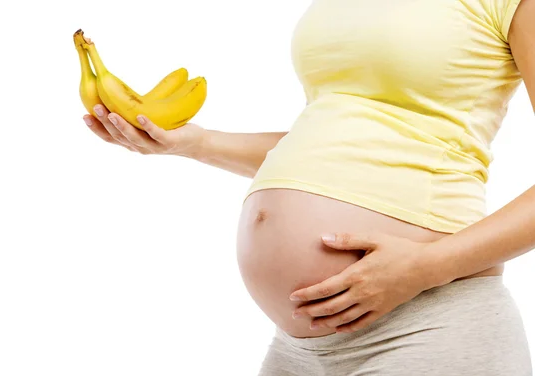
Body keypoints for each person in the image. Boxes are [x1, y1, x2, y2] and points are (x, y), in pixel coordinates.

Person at [82, 0, 535, 374]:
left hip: (428, 326)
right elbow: (333, 143)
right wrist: (196, 144)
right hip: (297, 353)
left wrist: (429, 266)